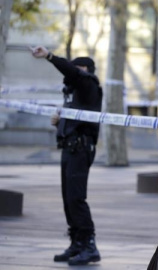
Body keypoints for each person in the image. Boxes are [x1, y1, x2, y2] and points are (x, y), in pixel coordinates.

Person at [31, 46, 102, 265]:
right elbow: (75, 119)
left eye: (76, 68)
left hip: (81, 149)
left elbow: (74, 74)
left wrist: (50, 57)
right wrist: (60, 124)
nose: (72, 73)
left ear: (86, 70)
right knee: (68, 199)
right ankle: (77, 242)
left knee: (76, 198)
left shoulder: (89, 84)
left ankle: (90, 246)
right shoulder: (72, 92)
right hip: (69, 148)